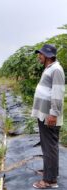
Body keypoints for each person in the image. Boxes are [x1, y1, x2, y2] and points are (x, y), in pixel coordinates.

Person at [31, 44, 65, 189]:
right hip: (44, 112)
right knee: (47, 146)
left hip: (49, 115)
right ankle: (50, 172)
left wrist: (53, 114)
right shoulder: (50, 68)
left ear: (48, 56)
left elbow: (57, 93)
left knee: (50, 146)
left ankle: (50, 181)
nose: (39, 56)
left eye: (41, 54)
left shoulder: (56, 69)